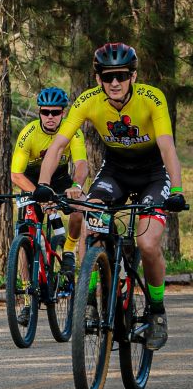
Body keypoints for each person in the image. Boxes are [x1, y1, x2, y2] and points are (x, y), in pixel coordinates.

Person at [33, 43, 187, 350]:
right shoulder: (88, 101)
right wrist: (43, 184)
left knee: (147, 242)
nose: (114, 83)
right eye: (107, 77)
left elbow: (168, 147)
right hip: (115, 171)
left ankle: (156, 311)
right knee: (94, 224)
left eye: (120, 76)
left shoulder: (151, 98)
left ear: (133, 76)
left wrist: (178, 191)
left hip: (153, 174)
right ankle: (89, 299)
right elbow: (58, 145)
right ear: (98, 78)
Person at [10, 87, 88, 325]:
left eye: (55, 112)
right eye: (45, 112)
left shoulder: (71, 132)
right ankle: (25, 299)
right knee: (25, 236)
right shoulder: (29, 133)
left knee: (78, 210)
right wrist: (39, 195)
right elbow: (16, 174)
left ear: (63, 113)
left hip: (62, 180)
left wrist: (76, 184)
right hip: (33, 183)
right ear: (40, 112)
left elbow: (82, 164)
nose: (50, 116)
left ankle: (68, 251)